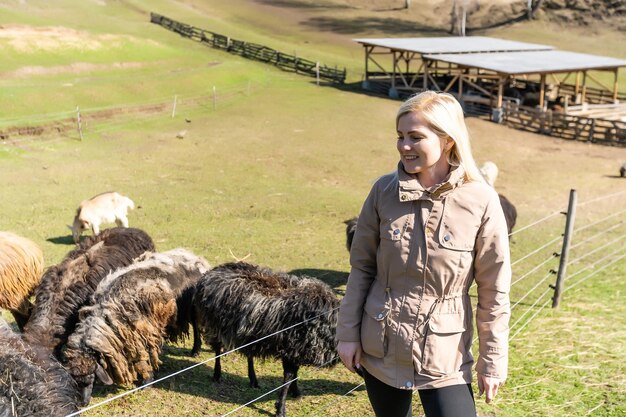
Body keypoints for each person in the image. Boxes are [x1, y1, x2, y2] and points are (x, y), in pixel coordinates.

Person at [336, 91, 511, 417]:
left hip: (445, 355)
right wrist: (347, 335)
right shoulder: (383, 192)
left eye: (416, 137)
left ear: (447, 141)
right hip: (381, 346)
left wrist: (492, 359)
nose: (404, 146)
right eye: (400, 136)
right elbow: (361, 269)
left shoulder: (481, 201)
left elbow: (494, 291)